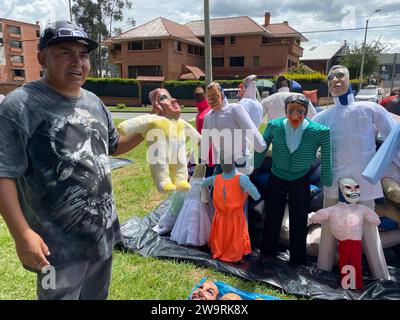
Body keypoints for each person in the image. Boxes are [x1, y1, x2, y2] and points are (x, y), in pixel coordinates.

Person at [0, 21, 144, 300]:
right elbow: (3, 172)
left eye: (84, 54)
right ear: (43, 58)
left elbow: (113, 146)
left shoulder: (93, 101)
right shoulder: (20, 105)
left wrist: (153, 127)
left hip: (101, 235)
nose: (78, 62)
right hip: (56, 248)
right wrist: (21, 234)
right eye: (65, 52)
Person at [312, 65, 394, 279]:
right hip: (333, 179)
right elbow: (304, 136)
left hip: (365, 179)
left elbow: (393, 137)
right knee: (328, 225)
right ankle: (324, 268)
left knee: (368, 226)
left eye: (341, 76)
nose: (335, 80)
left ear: (350, 79)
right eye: (330, 77)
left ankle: (380, 274)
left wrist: (379, 166)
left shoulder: (369, 108)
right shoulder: (324, 116)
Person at [254, 95, 332, 265]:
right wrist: (252, 167)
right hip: (278, 176)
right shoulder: (274, 126)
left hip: (300, 178)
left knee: (299, 217)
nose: (295, 116)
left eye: (300, 112)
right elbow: (261, 147)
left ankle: (298, 258)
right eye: (291, 111)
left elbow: (327, 157)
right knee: (273, 214)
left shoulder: (319, 131)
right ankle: (267, 252)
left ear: (306, 112)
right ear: (285, 111)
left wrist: (328, 180)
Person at [202, 159, 261, 263]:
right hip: (234, 217)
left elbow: (202, 183)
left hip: (222, 216)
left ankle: (220, 250)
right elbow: (256, 196)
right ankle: (232, 254)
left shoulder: (216, 178)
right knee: (234, 238)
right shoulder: (242, 179)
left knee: (222, 235)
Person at [201, 82, 266, 175]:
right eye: (208, 97)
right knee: (216, 187)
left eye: (214, 95)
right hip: (223, 162)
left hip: (239, 160)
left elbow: (249, 129)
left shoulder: (234, 109)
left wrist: (261, 146)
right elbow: (205, 142)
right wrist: (200, 160)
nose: (211, 100)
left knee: (239, 187)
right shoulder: (208, 117)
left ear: (221, 93)